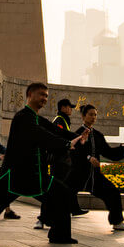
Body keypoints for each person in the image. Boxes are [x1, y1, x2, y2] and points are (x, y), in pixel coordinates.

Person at [0, 82, 89, 245]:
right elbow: (41, 135)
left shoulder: (36, 118)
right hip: (15, 175)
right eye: (41, 95)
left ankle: (59, 235)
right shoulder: (23, 117)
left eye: (46, 95)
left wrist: (78, 137)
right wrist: (67, 144)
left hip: (34, 176)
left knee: (62, 193)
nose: (44, 98)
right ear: (30, 95)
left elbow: (55, 131)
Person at [69, 104, 124, 231]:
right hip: (79, 174)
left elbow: (107, 151)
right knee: (61, 194)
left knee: (113, 192)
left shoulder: (98, 135)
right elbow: (73, 152)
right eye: (90, 114)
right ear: (83, 116)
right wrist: (88, 158)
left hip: (95, 176)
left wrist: (121, 148)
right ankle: (43, 219)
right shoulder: (77, 134)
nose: (93, 117)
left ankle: (117, 221)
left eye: (95, 115)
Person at [35, 98, 86, 229]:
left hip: (63, 160)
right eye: (69, 107)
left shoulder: (64, 120)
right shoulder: (59, 120)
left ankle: (53, 217)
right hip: (58, 161)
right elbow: (58, 137)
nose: (70, 110)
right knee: (53, 189)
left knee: (60, 189)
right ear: (63, 108)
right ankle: (41, 219)